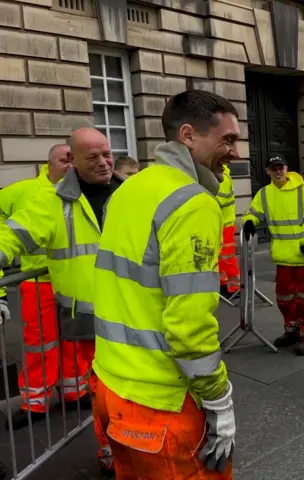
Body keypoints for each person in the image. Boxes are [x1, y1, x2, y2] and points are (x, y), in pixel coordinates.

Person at [92, 90, 239, 479]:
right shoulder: (192, 203)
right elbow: (188, 327)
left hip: (111, 385)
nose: (235, 153)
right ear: (188, 135)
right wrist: (219, 400)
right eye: (227, 140)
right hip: (162, 403)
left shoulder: (128, 190)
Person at [0, 128, 123, 475]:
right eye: (93, 157)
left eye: (107, 154)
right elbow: (14, 233)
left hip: (133, 314)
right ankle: (109, 452)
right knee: (102, 395)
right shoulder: (51, 202)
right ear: (73, 161)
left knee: (128, 392)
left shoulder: (129, 192)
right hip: (87, 318)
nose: (103, 163)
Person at [0, 143, 85, 429]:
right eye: (64, 160)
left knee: (75, 339)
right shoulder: (24, 191)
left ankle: (75, 392)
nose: (70, 166)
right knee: (40, 343)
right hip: (37, 282)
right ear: (48, 164)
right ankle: (35, 402)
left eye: (74, 160)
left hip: (72, 279)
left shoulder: (81, 192)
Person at [242, 155, 304, 356]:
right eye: (274, 168)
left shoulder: (303, 191)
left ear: (287, 168)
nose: (278, 171)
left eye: (281, 167)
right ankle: (291, 330)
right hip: (283, 257)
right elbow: (253, 212)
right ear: (267, 171)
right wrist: (250, 221)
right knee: (285, 298)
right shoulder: (264, 194)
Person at [216, 164, 240, 297]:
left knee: (227, 257)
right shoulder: (214, 176)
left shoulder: (222, 177)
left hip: (225, 224)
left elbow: (221, 199)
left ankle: (234, 287)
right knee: (219, 257)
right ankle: (223, 283)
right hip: (218, 224)